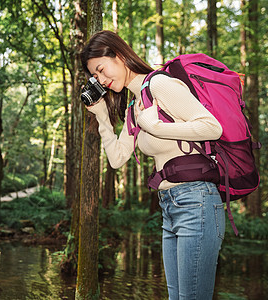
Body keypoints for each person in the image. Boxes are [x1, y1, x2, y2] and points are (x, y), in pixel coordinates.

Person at [80, 30, 225, 300]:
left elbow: (212, 127)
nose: (101, 79)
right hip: (170, 206)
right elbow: (117, 159)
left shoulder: (159, 85)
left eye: (101, 69)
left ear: (119, 55)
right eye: (95, 76)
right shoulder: (135, 106)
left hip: (197, 201)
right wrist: (101, 117)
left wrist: (156, 127)